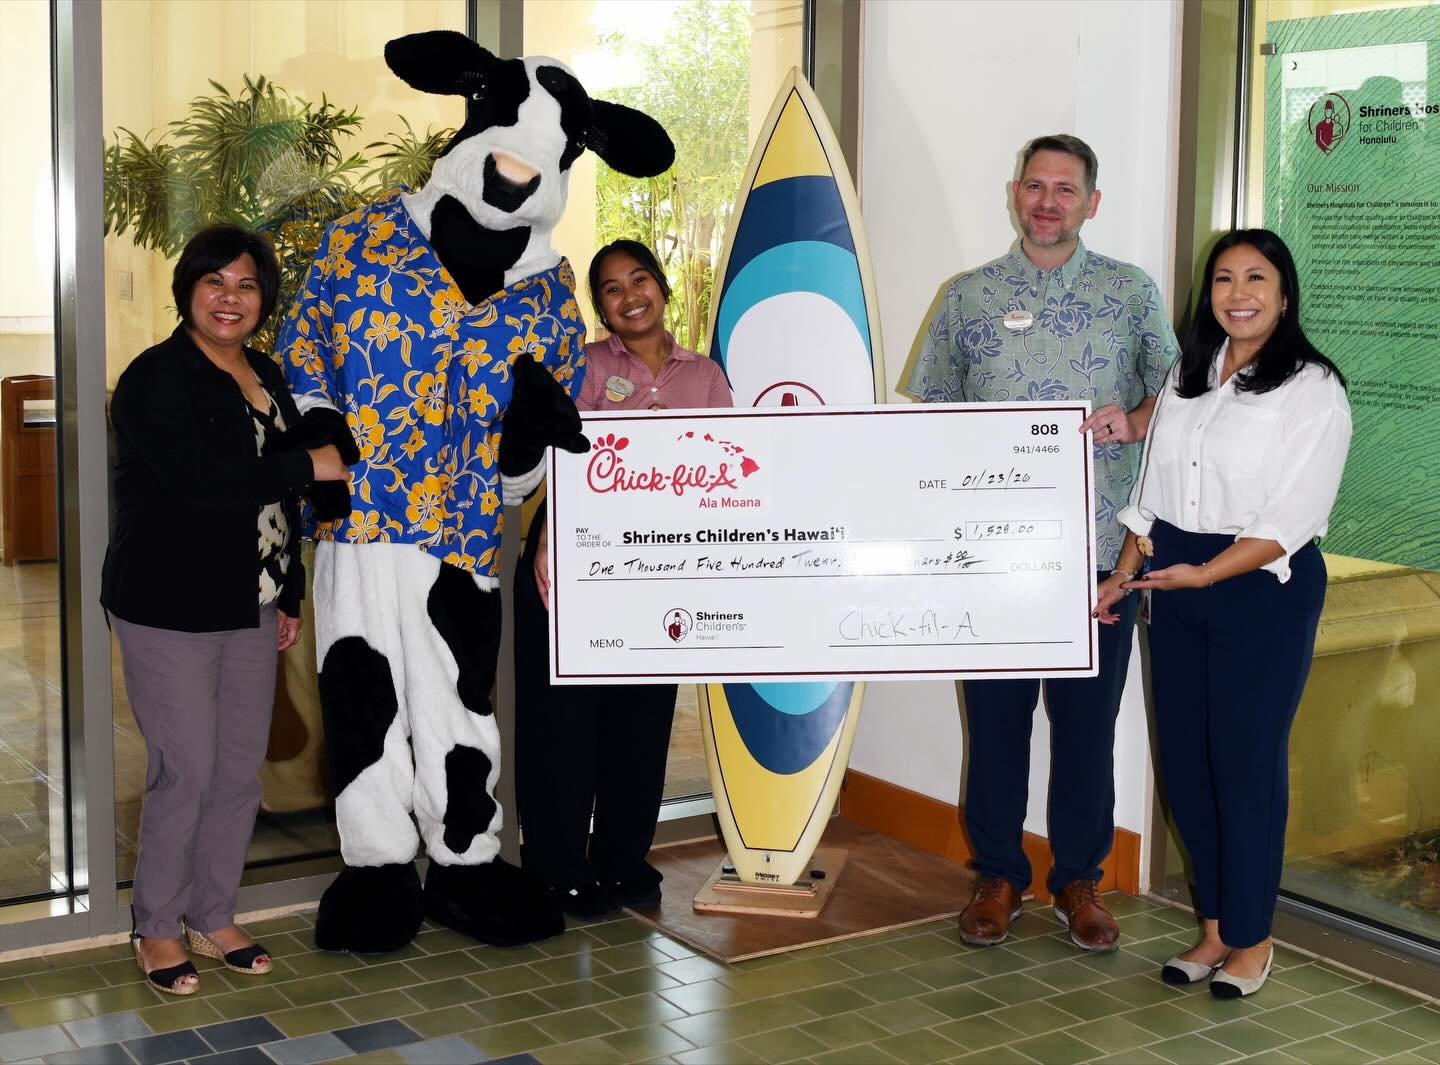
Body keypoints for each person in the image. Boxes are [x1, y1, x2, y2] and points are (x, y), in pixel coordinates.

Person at [906, 134, 1180, 951]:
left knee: (1088, 725)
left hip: (1102, 552)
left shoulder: (1130, 293)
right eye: (1035, 185)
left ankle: (1078, 880)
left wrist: (1132, 420)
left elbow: (1183, 396)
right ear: (1013, 194)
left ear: (1092, 202)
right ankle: (997, 873)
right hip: (991, 556)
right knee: (995, 720)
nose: (1048, 200)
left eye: (1066, 188)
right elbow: (934, 420)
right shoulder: (968, 297)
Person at [1097, 229, 1351, 997]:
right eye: (1224, 279)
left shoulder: (1313, 388)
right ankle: (1211, 930)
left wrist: (1201, 575)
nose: (1238, 294)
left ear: (1283, 292)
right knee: (1187, 763)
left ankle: (1251, 938)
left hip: (1257, 587)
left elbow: (1289, 521)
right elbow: (1152, 490)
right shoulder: (1189, 371)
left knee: (1244, 765)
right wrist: (1123, 573)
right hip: (1173, 578)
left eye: (1256, 278)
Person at [102, 225, 349, 993]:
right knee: (189, 767)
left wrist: (291, 592)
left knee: (240, 769)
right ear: (189, 291)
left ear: (262, 300)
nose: (229, 298)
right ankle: (156, 924)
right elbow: (197, 480)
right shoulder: (155, 376)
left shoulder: (266, 373)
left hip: (253, 599)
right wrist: (305, 460)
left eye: (245, 285)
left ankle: (213, 912)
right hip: (168, 602)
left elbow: (281, 501)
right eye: (215, 282)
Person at [514, 240, 732, 918]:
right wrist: (549, 537)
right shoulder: (580, 367)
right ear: (601, 308)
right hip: (572, 560)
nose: (629, 294)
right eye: (611, 288)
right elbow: (554, 458)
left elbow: (730, 469)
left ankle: (619, 860)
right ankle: (556, 867)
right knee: (561, 723)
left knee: (641, 722)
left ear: (661, 288)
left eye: (639, 278)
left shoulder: (706, 375)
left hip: (659, 571)